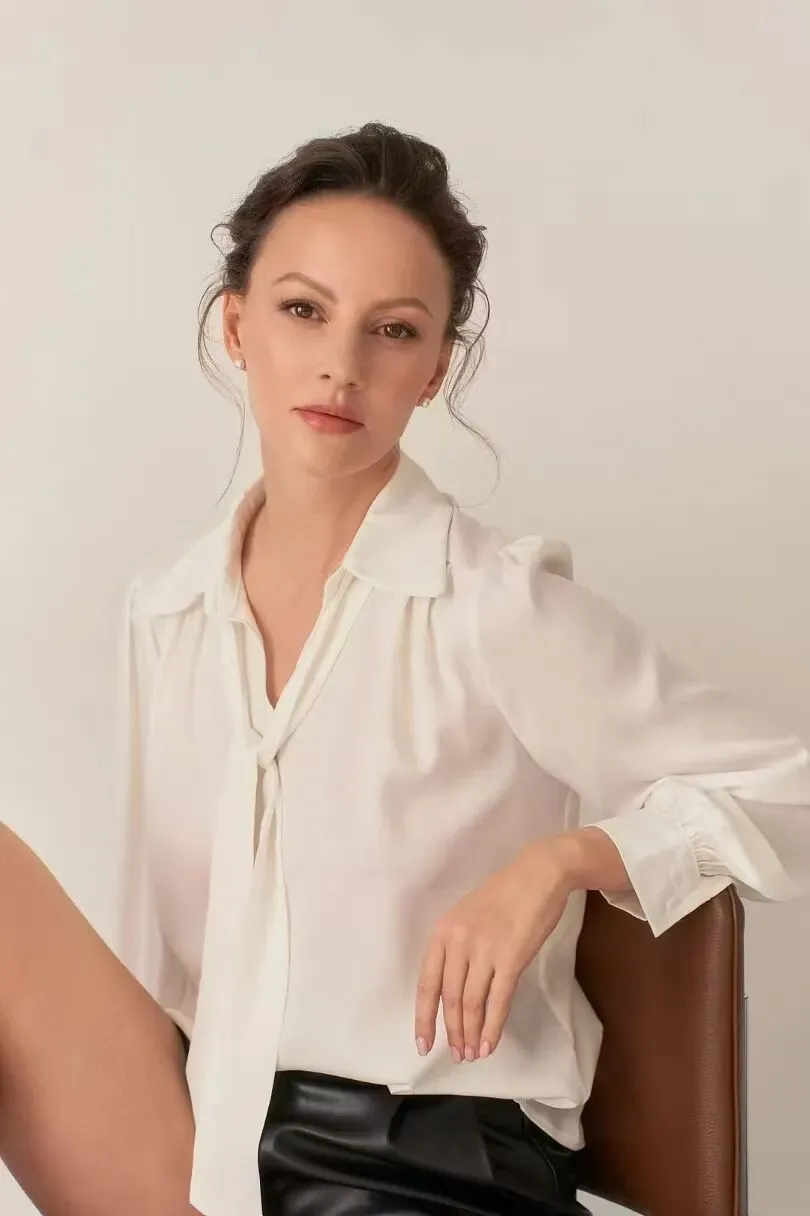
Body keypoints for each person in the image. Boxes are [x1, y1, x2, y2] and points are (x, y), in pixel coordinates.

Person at [2, 122, 810, 1216]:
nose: (342, 364)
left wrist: (570, 859)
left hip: (427, 1167)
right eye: (303, 310)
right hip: (208, 1147)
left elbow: (789, 789)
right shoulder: (168, 611)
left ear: (434, 370)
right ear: (236, 326)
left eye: (393, 330)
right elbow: (157, 962)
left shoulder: (493, 604)